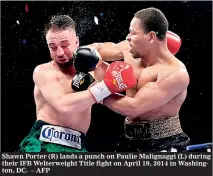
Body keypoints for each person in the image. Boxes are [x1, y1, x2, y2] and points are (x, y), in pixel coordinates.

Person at [17, 15, 137, 152]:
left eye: (64, 45)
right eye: (53, 47)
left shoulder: (92, 67)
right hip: (42, 144)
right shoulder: (43, 72)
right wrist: (105, 87)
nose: (60, 53)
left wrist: (157, 45)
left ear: (77, 42)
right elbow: (63, 105)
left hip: (78, 147)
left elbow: (129, 74)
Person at [89, 7, 190, 152]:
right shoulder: (130, 49)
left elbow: (134, 108)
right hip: (129, 140)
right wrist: (81, 56)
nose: (128, 37)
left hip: (164, 144)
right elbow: (97, 49)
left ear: (150, 37)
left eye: (133, 33)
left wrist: (95, 88)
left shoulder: (175, 73)